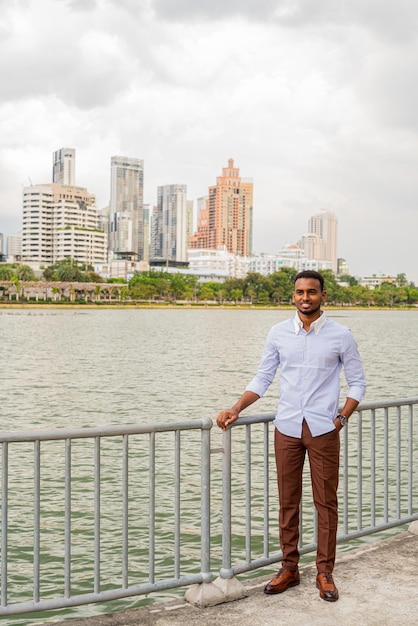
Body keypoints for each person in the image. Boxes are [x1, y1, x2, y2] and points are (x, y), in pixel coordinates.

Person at [217, 270, 366, 602]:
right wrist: (236, 408)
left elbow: (357, 382)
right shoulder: (278, 333)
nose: (305, 297)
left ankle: (325, 572)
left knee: (326, 503)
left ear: (323, 296)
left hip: (324, 429)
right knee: (288, 501)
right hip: (286, 427)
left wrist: (342, 416)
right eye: (300, 292)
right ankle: (290, 568)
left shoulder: (341, 335)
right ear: (293, 295)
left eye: (312, 292)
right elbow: (263, 377)